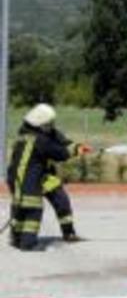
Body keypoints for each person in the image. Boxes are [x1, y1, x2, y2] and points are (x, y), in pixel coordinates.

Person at [6, 104, 92, 250]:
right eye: (49, 124)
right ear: (41, 123)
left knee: (60, 198)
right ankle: (23, 239)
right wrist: (76, 152)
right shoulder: (39, 139)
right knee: (29, 206)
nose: (51, 126)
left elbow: (63, 142)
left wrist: (77, 147)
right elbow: (60, 153)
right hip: (30, 178)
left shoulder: (39, 133)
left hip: (40, 175)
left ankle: (68, 233)